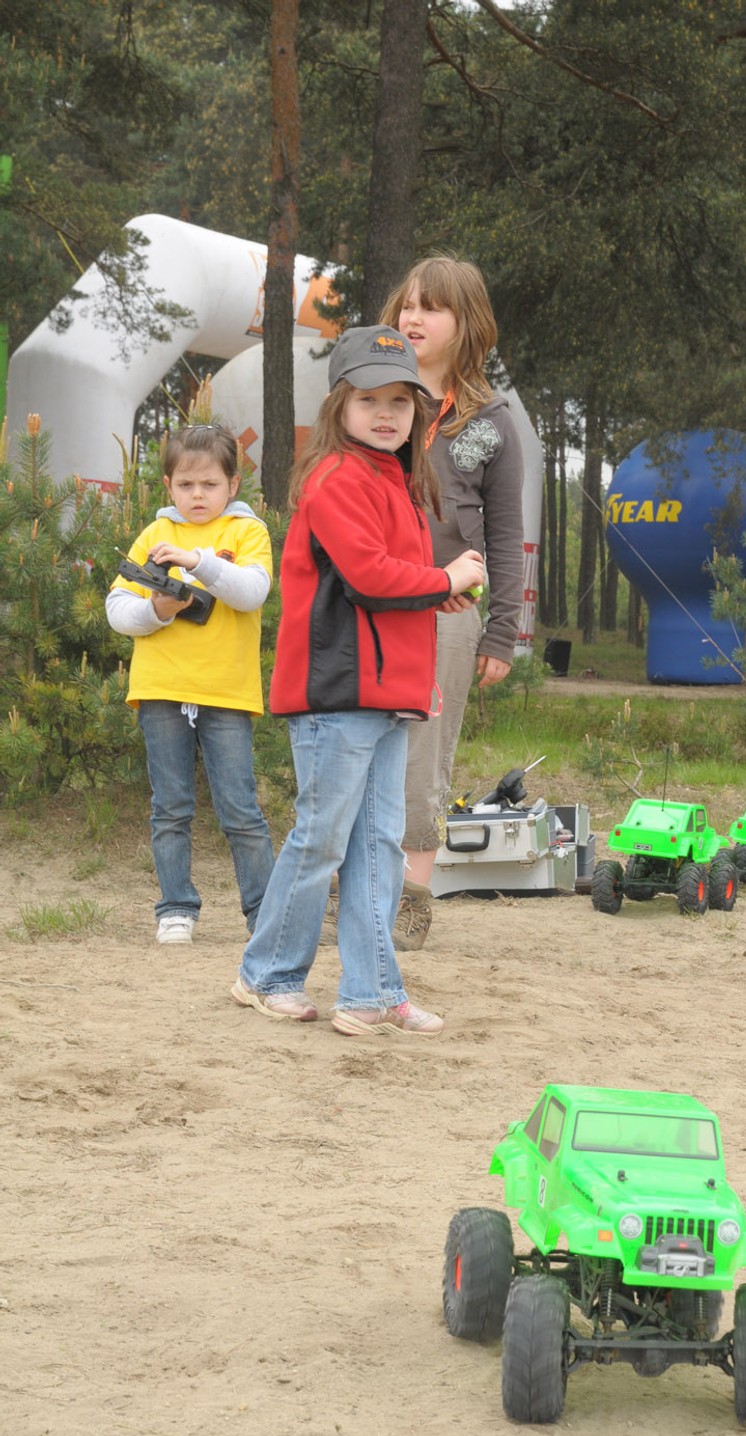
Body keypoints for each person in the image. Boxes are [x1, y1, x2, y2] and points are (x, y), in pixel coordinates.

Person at [231, 325, 484, 1034]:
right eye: (369, 397)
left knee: (377, 844)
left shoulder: (395, 481)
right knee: (322, 838)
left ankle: (371, 991)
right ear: (340, 405)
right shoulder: (337, 477)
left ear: (420, 413)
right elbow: (372, 579)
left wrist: (439, 591)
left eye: (400, 401)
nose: (385, 412)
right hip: (336, 694)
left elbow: (394, 586)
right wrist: (442, 578)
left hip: (387, 696)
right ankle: (266, 974)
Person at [378, 257, 526, 951]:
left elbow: (505, 534)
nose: (413, 318)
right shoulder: (375, 398)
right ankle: (347, 893)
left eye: (431, 308)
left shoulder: (492, 421)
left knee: (423, 758)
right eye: (407, 305)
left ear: (467, 324)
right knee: (357, 744)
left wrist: (503, 633)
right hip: (369, 599)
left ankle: (409, 902)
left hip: (446, 614)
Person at [107, 423, 275, 944]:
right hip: (160, 689)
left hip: (226, 691)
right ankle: (175, 907)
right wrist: (158, 609)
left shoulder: (247, 533)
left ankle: (264, 916)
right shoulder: (153, 536)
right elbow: (117, 609)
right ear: (168, 485)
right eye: (186, 485)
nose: (197, 495)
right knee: (170, 806)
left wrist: (199, 562)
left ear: (232, 485)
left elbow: (253, 593)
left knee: (240, 809)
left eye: (209, 484)